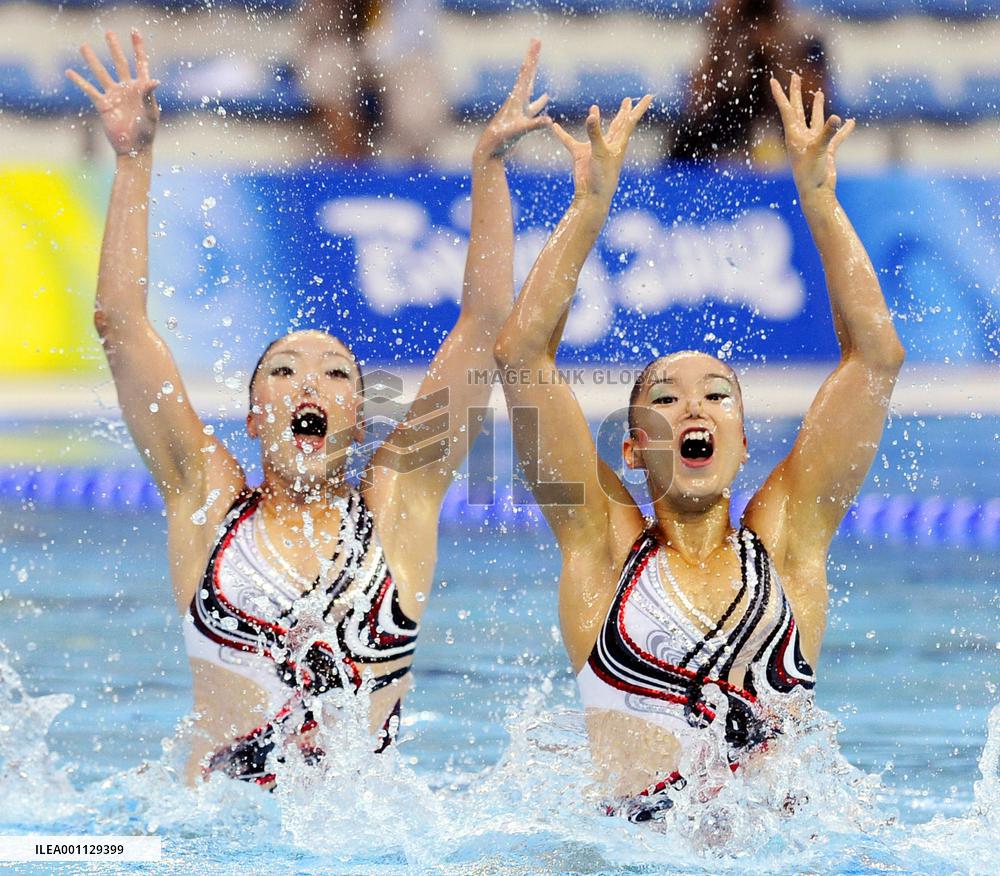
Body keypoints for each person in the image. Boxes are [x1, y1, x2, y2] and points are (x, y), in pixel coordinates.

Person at [66, 31, 552, 786]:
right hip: (211, 842)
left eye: (334, 375)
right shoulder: (207, 500)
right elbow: (119, 324)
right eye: (284, 372)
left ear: (358, 419)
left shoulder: (398, 506)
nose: (308, 388)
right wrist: (132, 162)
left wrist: (486, 168)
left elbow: (484, 328)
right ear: (255, 416)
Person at [494, 76, 904, 821]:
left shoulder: (787, 547)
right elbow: (522, 357)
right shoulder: (601, 552)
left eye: (717, 394)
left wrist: (818, 198)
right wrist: (589, 209)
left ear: (743, 443)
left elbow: (874, 359)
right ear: (631, 449)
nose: (693, 406)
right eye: (666, 397)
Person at [670, 0, 827, 165]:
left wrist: (778, 57)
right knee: (689, 135)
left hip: (784, 122)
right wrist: (723, 36)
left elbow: (816, 100)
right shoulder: (726, 28)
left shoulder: (801, 31)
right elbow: (696, 103)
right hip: (731, 126)